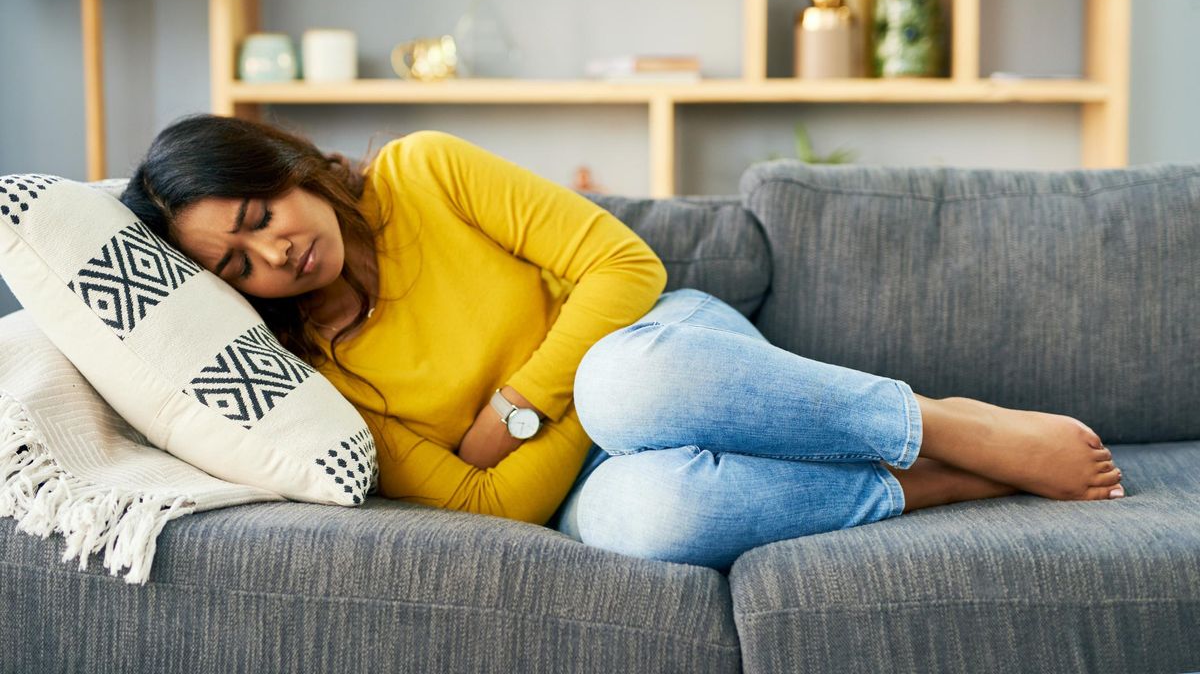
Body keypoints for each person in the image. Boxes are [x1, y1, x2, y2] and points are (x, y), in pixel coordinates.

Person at [120, 113, 1126, 573]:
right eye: (237, 265)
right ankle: (936, 480)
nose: (276, 249)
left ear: (286, 163)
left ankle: (934, 419)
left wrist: (515, 407)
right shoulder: (313, 376)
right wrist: (556, 422)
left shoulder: (423, 172)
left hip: (670, 358)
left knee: (625, 386)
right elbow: (492, 503)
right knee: (656, 519)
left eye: (259, 209)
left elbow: (626, 271)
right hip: (588, 479)